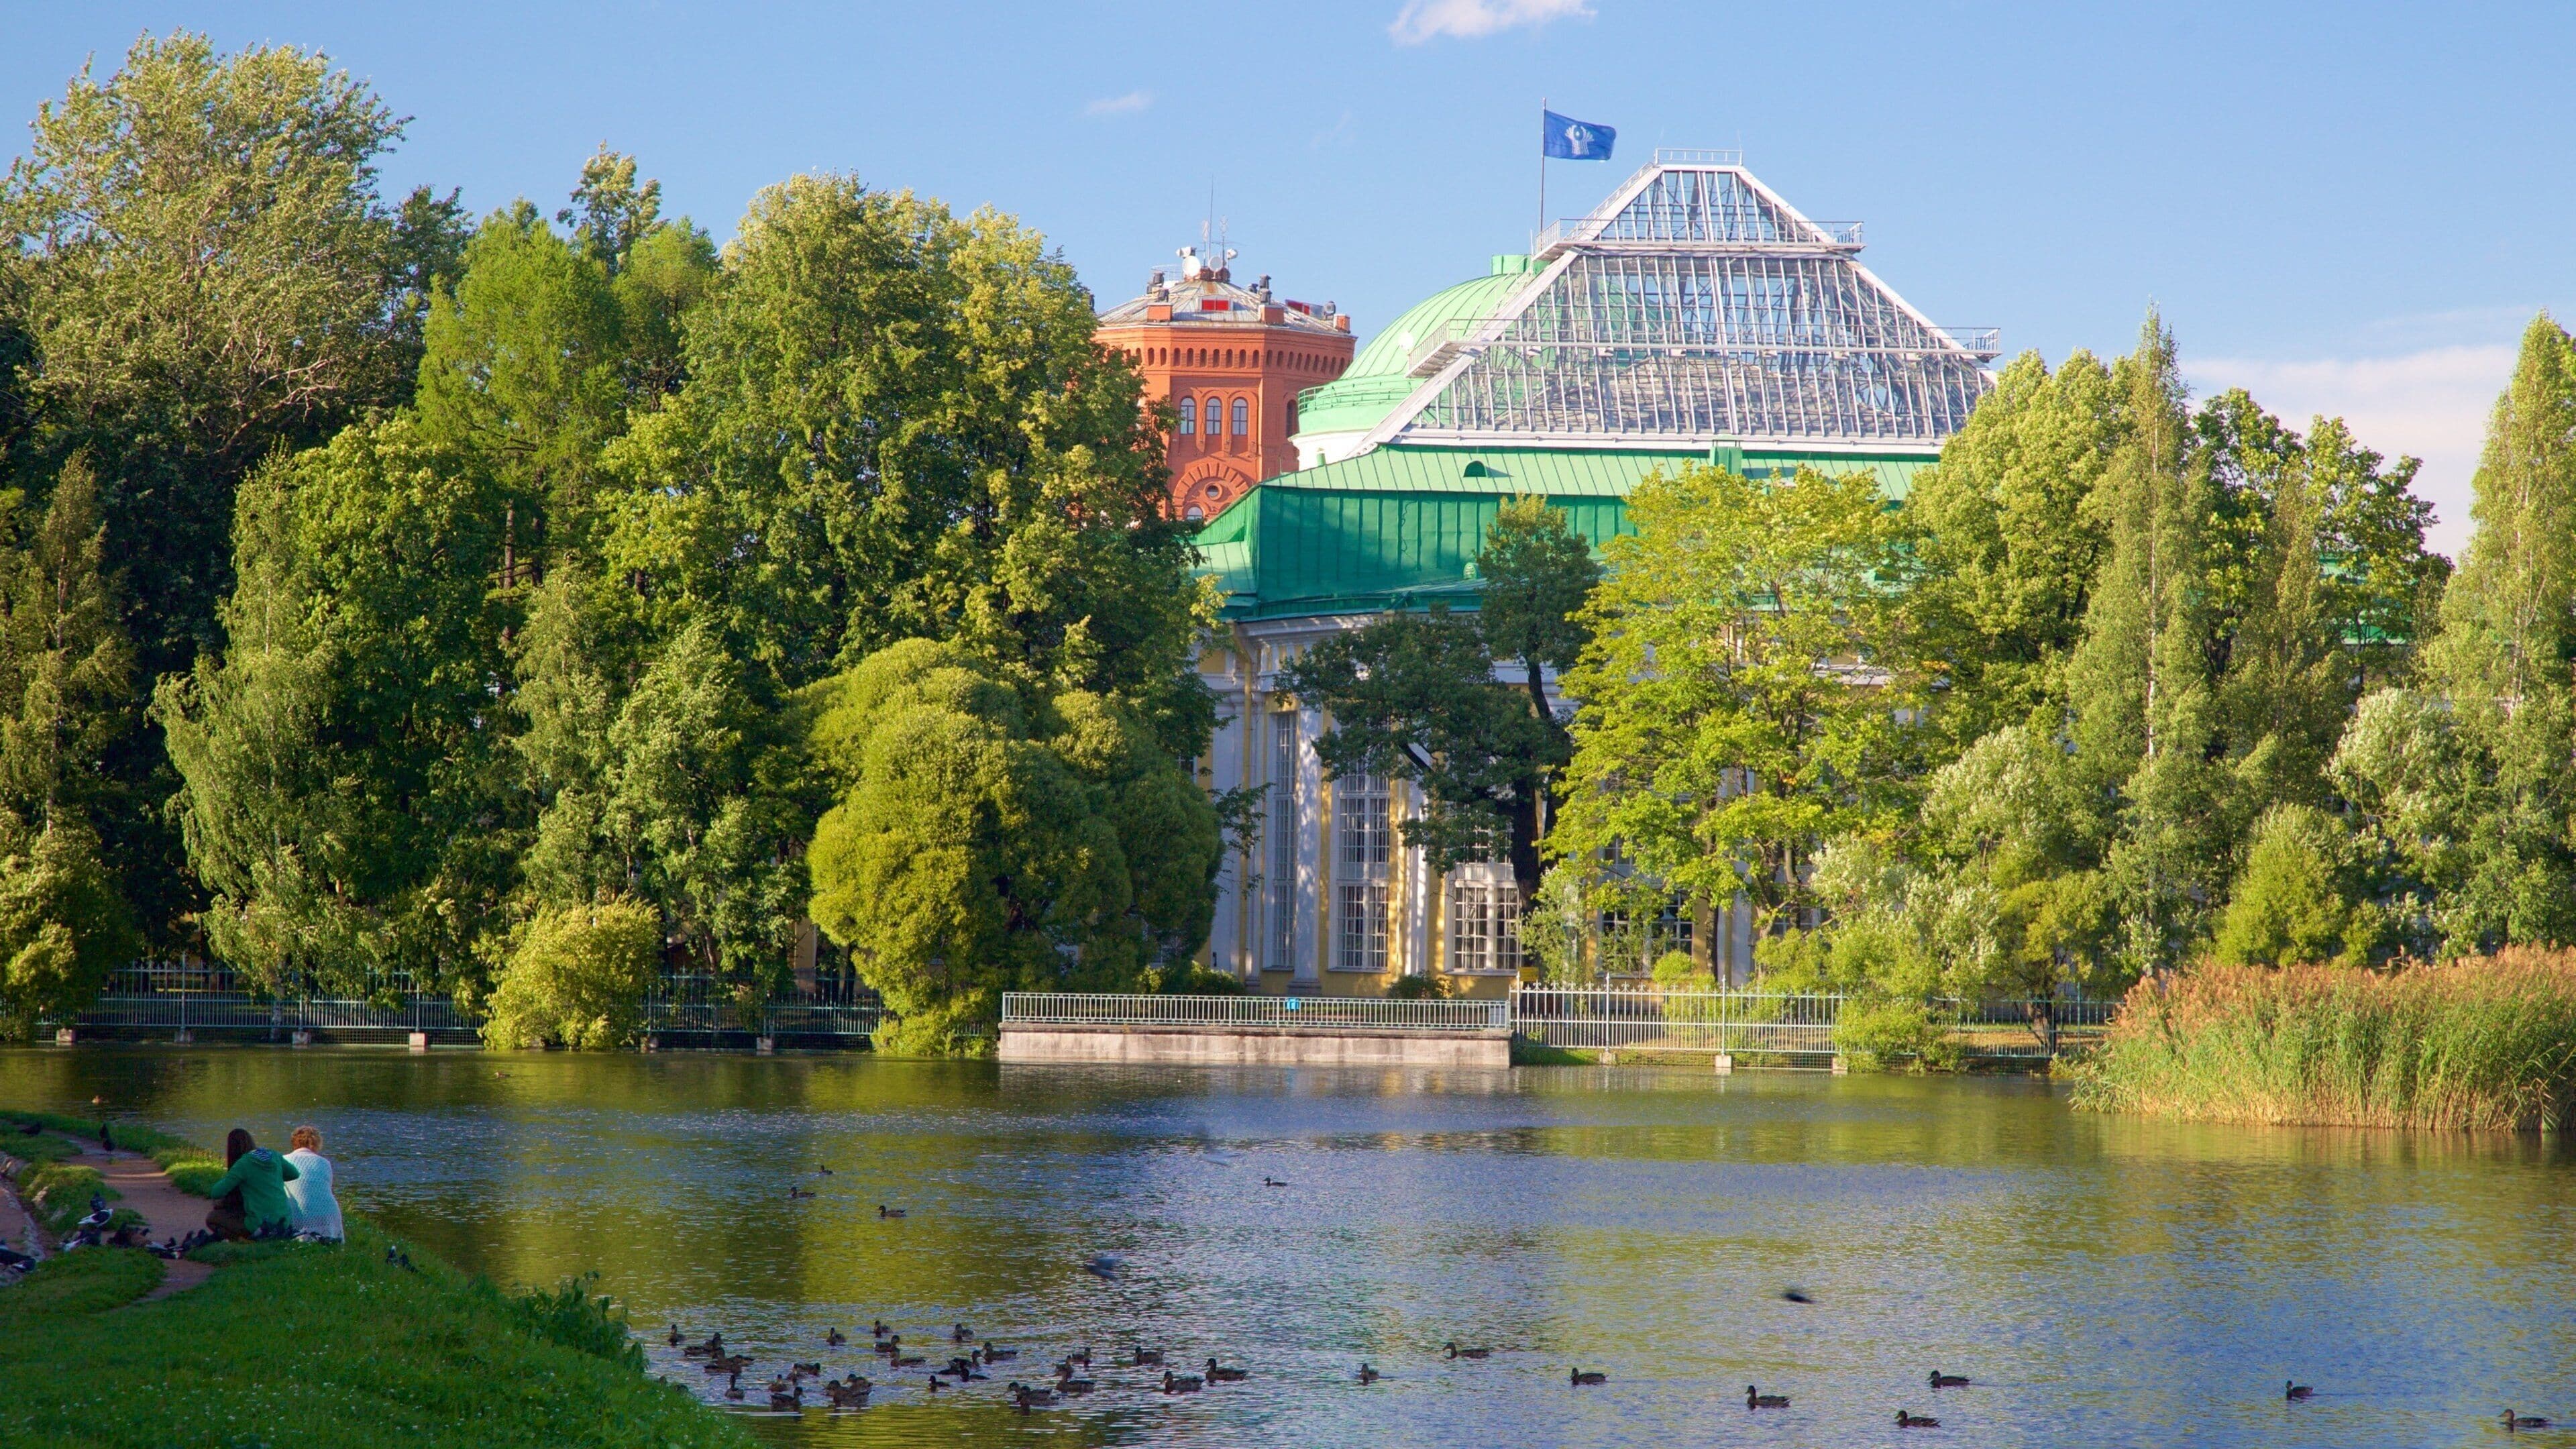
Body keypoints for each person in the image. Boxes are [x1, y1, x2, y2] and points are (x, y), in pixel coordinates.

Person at [204, 1128, 300, 1241]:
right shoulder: (274, 1155)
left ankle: (246, 1240)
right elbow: (294, 1174)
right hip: (284, 1224)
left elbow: (216, 1192)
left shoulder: (243, 1163)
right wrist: (272, 1178)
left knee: (212, 1218)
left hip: (259, 1225)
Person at [282, 1125, 343, 1241]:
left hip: (297, 1212)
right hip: (329, 1215)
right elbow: (327, 1188)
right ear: (317, 1143)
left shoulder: (284, 1160)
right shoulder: (324, 1163)